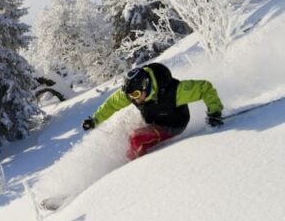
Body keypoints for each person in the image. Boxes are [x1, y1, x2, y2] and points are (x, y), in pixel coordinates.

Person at [82, 63, 225, 160]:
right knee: (123, 129)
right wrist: (95, 119)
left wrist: (215, 112)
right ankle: (128, 157)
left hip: (173, 124)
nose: (133, 99)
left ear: (146, 86)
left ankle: (136, 165)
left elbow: (205, 88)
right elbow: (111, 104)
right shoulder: (132, 94)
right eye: (130, 96)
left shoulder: (173, 91)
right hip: (153, 120)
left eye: (136, 95)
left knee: (135, 138)